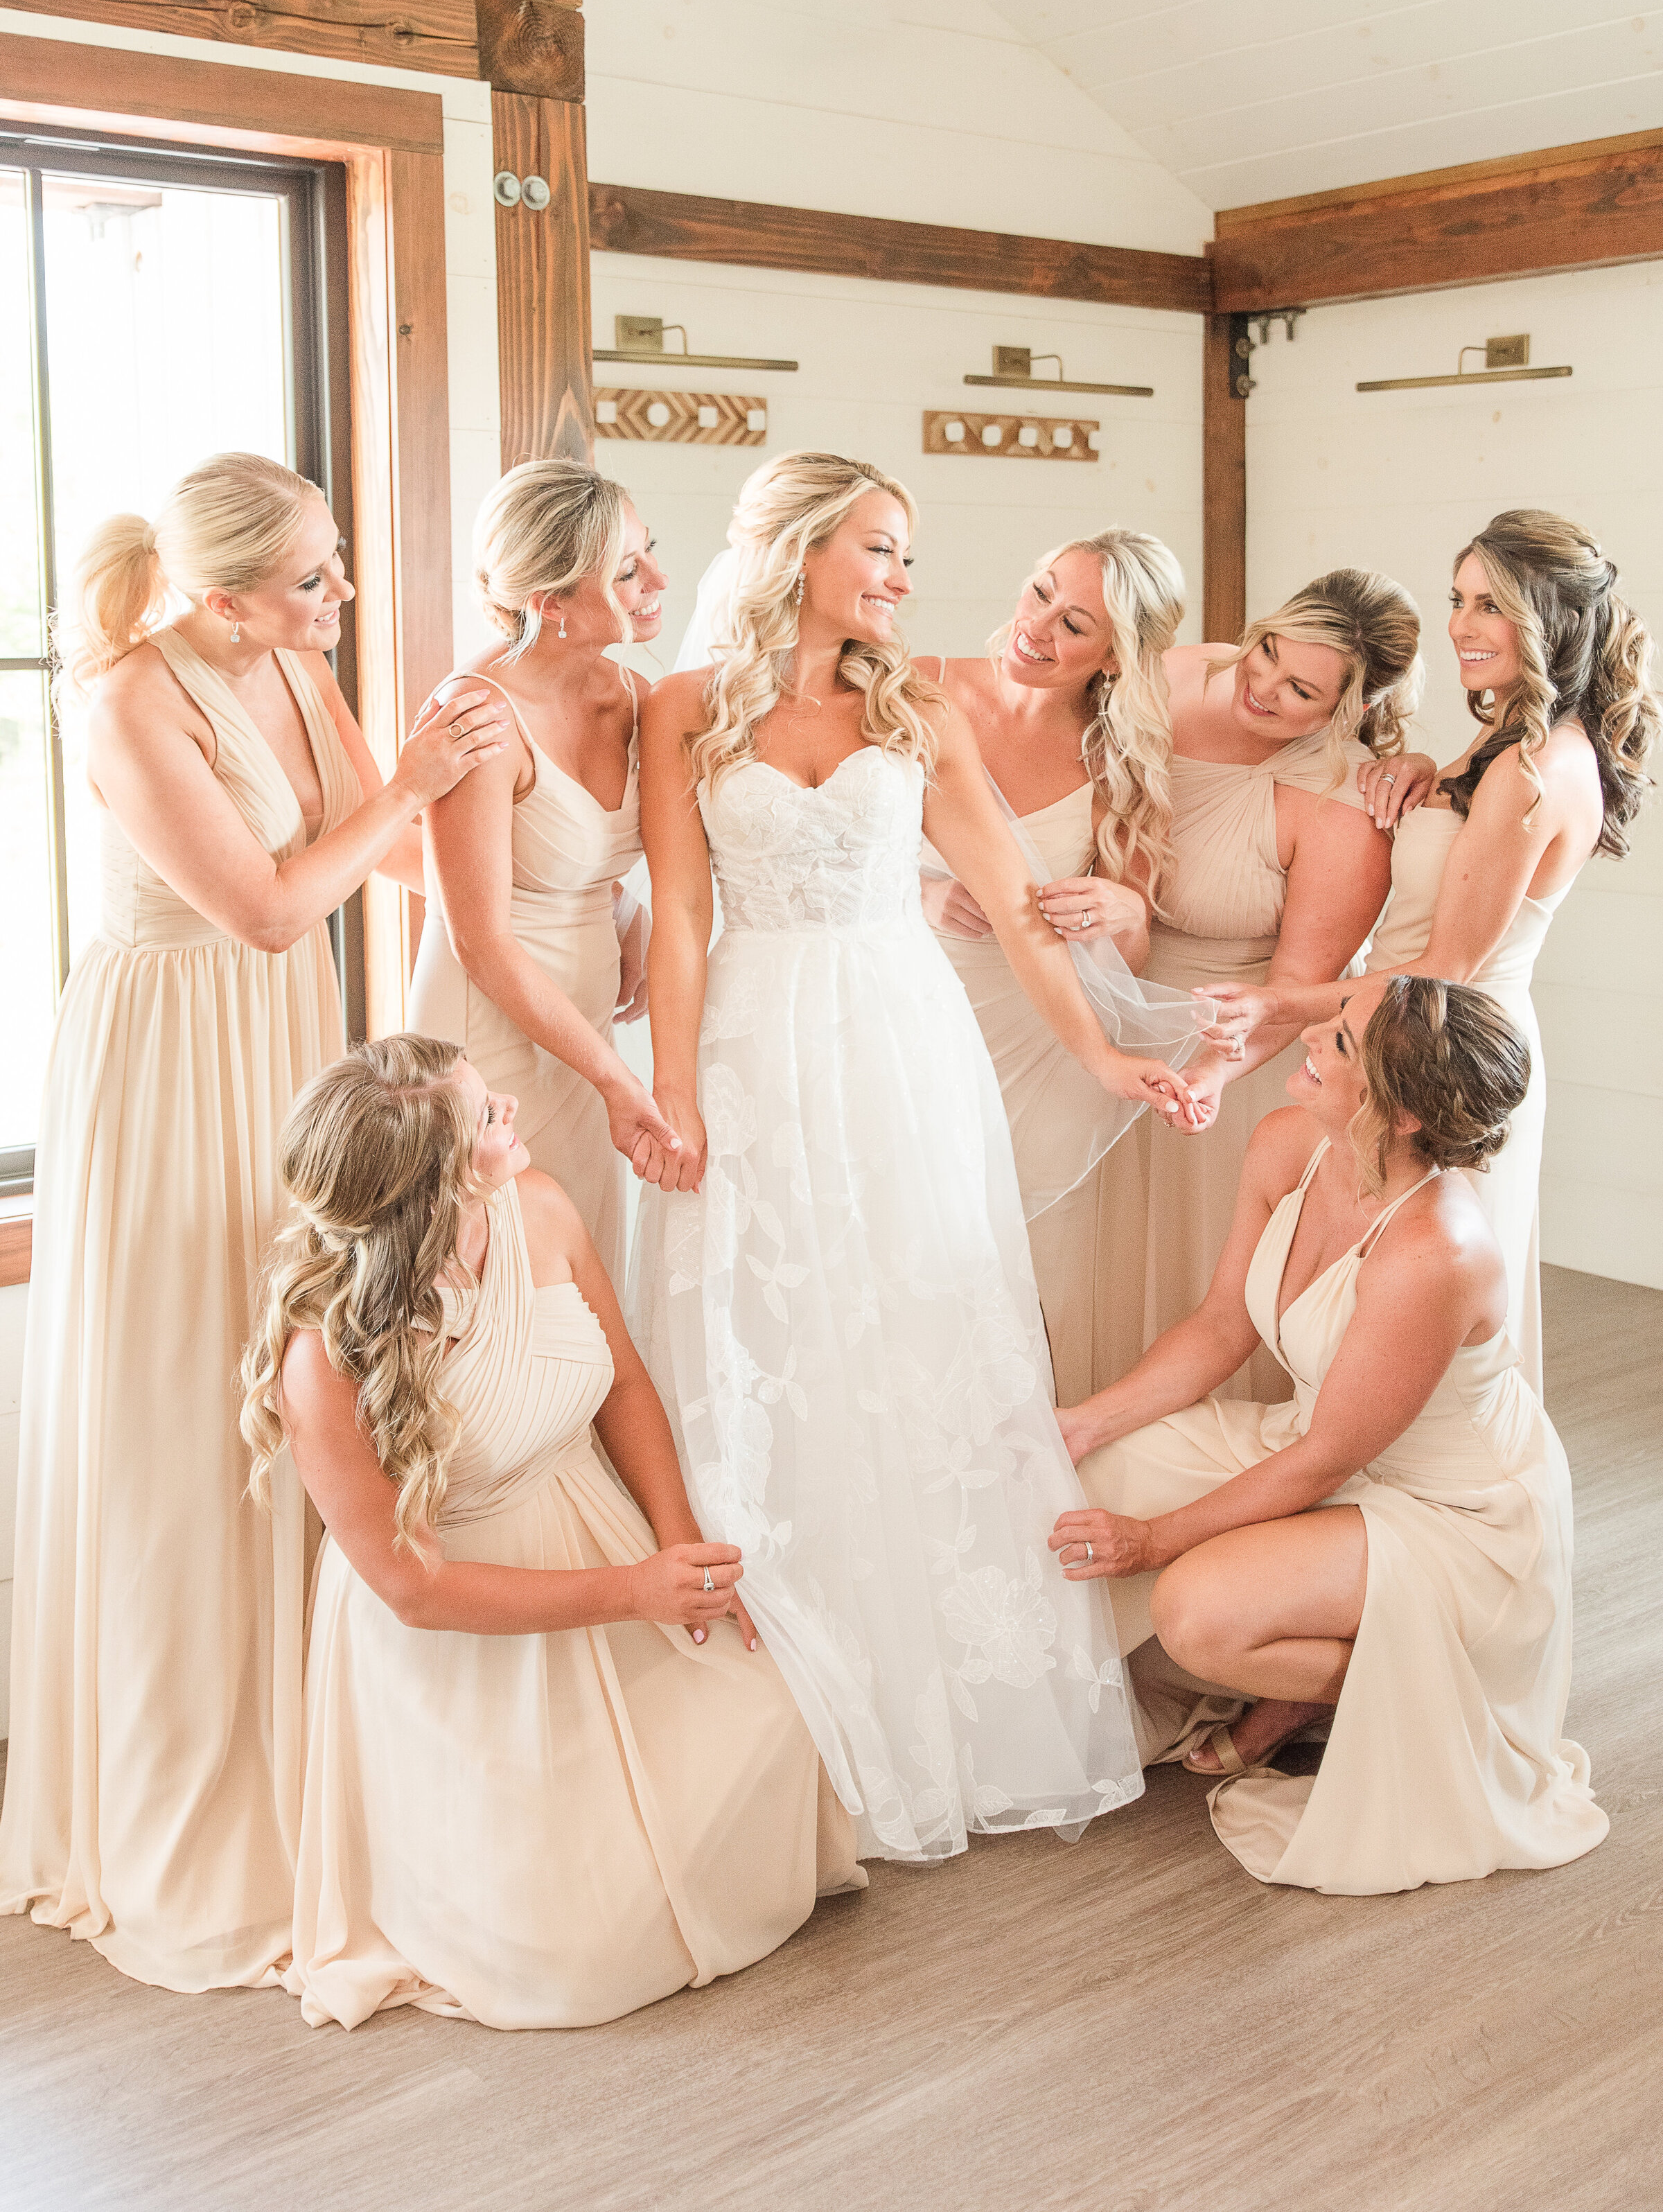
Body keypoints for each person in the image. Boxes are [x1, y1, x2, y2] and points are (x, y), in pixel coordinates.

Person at [629, 450, 1190, 1865]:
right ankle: (798, 1701)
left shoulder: (915, 705)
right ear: (800, 547)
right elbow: (684, 920)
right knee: (771, 1338)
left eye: (904, 555)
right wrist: (677, 1090)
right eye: (877, 547)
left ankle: (949, 1702)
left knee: (922, 1343)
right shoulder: (686, 708)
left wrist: (1106, 1055)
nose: (897, 576)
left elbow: (1011, 906)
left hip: (899, 1053)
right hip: (757, 1043)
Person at [0, 453, 505, 1991]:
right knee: (184, 1401)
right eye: (313, 577)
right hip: (169, 1056)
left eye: (338, 562)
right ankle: (183, 1800)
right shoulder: (124, 699)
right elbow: (272, 904)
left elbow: (391, 850)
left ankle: (327, 1764)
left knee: (306, 1377)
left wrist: (545, 877)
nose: (341, 596)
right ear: (218, 594)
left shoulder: (296, 664)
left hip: (293, 1043)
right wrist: (413, 784)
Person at [240, 1036, 857, 2030]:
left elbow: (623, 1384)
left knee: (786, 1724)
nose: (513, 1113)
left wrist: (681, 1554)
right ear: (428, 1180)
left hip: (601, 1539)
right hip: (463, 1625)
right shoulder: (325, 1356)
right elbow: (414, 1588)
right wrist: (632, 1592)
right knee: (576, 1955)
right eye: (487, 1117)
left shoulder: (542, 1209)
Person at [1051, 975, 1610, 1895]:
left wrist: (1151, 1542)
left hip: (1453, 1512)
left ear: (1399, 1116)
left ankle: (1366, 1685)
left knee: (1192, 1610)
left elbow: (1326, 1460)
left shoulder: (1439, 1249)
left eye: (1341, 1043)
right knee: (1097, 1471)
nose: (1312, 1040)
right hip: (1327, 1440)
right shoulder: (1286, 1146)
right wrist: (1082, 1422)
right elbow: (1223, 1328)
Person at [1199, 512, 1659, 1394]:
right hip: (1396, 1028)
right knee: (1360, 1304)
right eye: (1459, 599)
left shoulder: (1532, 767)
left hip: (1433, 1048)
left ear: (1550, 619)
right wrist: (1420, 774)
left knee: (1408, 1323)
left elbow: (1442, 970)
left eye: (1490, 604)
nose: (1461, 625)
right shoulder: (1511, 745)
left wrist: (1279, 1003)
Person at [1095, 569, 1420, 1396]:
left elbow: (1302, 989)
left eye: (1300, 687)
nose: (1262, 684)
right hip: (1096, 1018)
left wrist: (1207, 1073)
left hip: (1226, 1056)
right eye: (1265, 650)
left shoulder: (1344, 808)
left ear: (1350, 710)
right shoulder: (1170, 678)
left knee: (1183, 1278)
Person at [920, 527, 1200, 1404]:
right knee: (919, 1240)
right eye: (1041, 590)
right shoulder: (919, 686)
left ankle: (1035, 1455)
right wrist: (916, 896)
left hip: (1051, 1040)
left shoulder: (1117, 756)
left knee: (1041, 1264)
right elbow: (826, 846)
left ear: (1116, 658)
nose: (1037, 624)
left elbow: (1135, 950)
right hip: (918, 1015)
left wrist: (1124, 911)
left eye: (1075, 623)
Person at [410, 460, 688, 1290]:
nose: (658, 582)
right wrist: (615, 1076)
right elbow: (482, 941)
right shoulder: (478, 715)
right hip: (489, 1019)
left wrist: (626, 913)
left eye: (649, 554)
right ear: (551, 603)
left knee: (582, 1267)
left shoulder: (637, 696)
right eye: (627, 570)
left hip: (586, 1011)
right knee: (497, 1268)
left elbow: (582, 854)